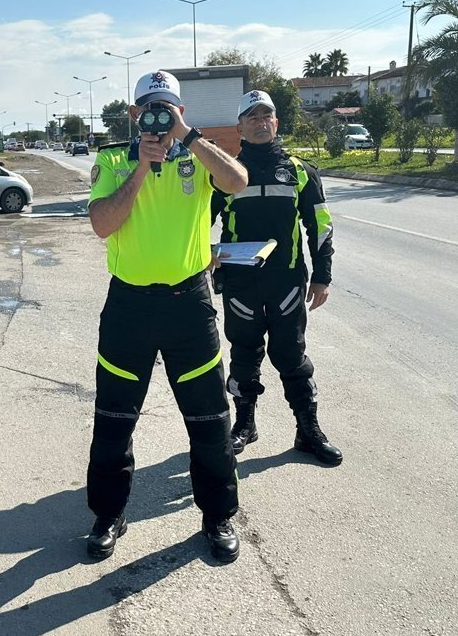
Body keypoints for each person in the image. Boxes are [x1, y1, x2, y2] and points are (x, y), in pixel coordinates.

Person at [85, 70, 249, 563]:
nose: (158, 117)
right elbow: (102, 224)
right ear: (135, 113)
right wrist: (140, 168)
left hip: (188, 306)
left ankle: (218, 516)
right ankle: (108, 514)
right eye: (150, 108)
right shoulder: (113, 158)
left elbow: (237, 181)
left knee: (209, 419)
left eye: (168, 108)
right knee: (113, 419)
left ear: (180, 111)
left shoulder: (198, 155)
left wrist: (188, 137)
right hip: (129, 306)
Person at [212, 90, 341, 466]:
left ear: (276, 122)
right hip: (240, 284)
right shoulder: (227, 172)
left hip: (286, 282)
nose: (260, 122)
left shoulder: (300, 170)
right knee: (244, 355)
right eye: (251, 117)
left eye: (266, 115)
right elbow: (198, 221)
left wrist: (323, 276)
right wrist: (205, 256)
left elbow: (320, 226)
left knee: (291, 356)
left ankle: (308, 430)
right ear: (240, 127)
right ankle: (245, 425)